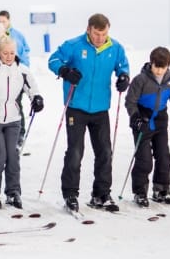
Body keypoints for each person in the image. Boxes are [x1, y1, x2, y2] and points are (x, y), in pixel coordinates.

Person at [48, 13, 130, 212]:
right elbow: (54, 60)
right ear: (88, 29)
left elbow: (123, 66)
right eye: (96, 34)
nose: (100, 38)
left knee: (105, 152)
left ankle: (101, 194)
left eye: (103, 34)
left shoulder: (115, 48)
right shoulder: (75, 45)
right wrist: (65, 71)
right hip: (76, 106)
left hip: (101, 108)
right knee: (75, 152)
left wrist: (124, 77)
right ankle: (70, 194)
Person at [0, 35, 44, 209]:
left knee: (13, 157)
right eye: (5, 53)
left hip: (14, 120)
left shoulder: (22, 70)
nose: (9, 56)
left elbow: (32, 88)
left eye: (12, 53)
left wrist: (37, 98)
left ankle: (13, 192)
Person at [125, 47, 170, 207]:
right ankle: (140, 192)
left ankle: (161, 190)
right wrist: (136, 118)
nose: (159, 71)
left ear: (168, 66)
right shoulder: (140, 80)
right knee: (144, 160)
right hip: (143, 121)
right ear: (151, 63)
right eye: (156, 66)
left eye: (162, 67)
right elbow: (130, 101)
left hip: (160, 120)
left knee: (164, 156)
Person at [0, 10, 31, 149]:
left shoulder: (17, 36)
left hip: (15, 76)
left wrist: (21, 70)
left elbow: (26, 53)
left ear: (9, 20)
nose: (1, 24)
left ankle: (19, 134)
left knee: (16, 103)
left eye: (3, 21)